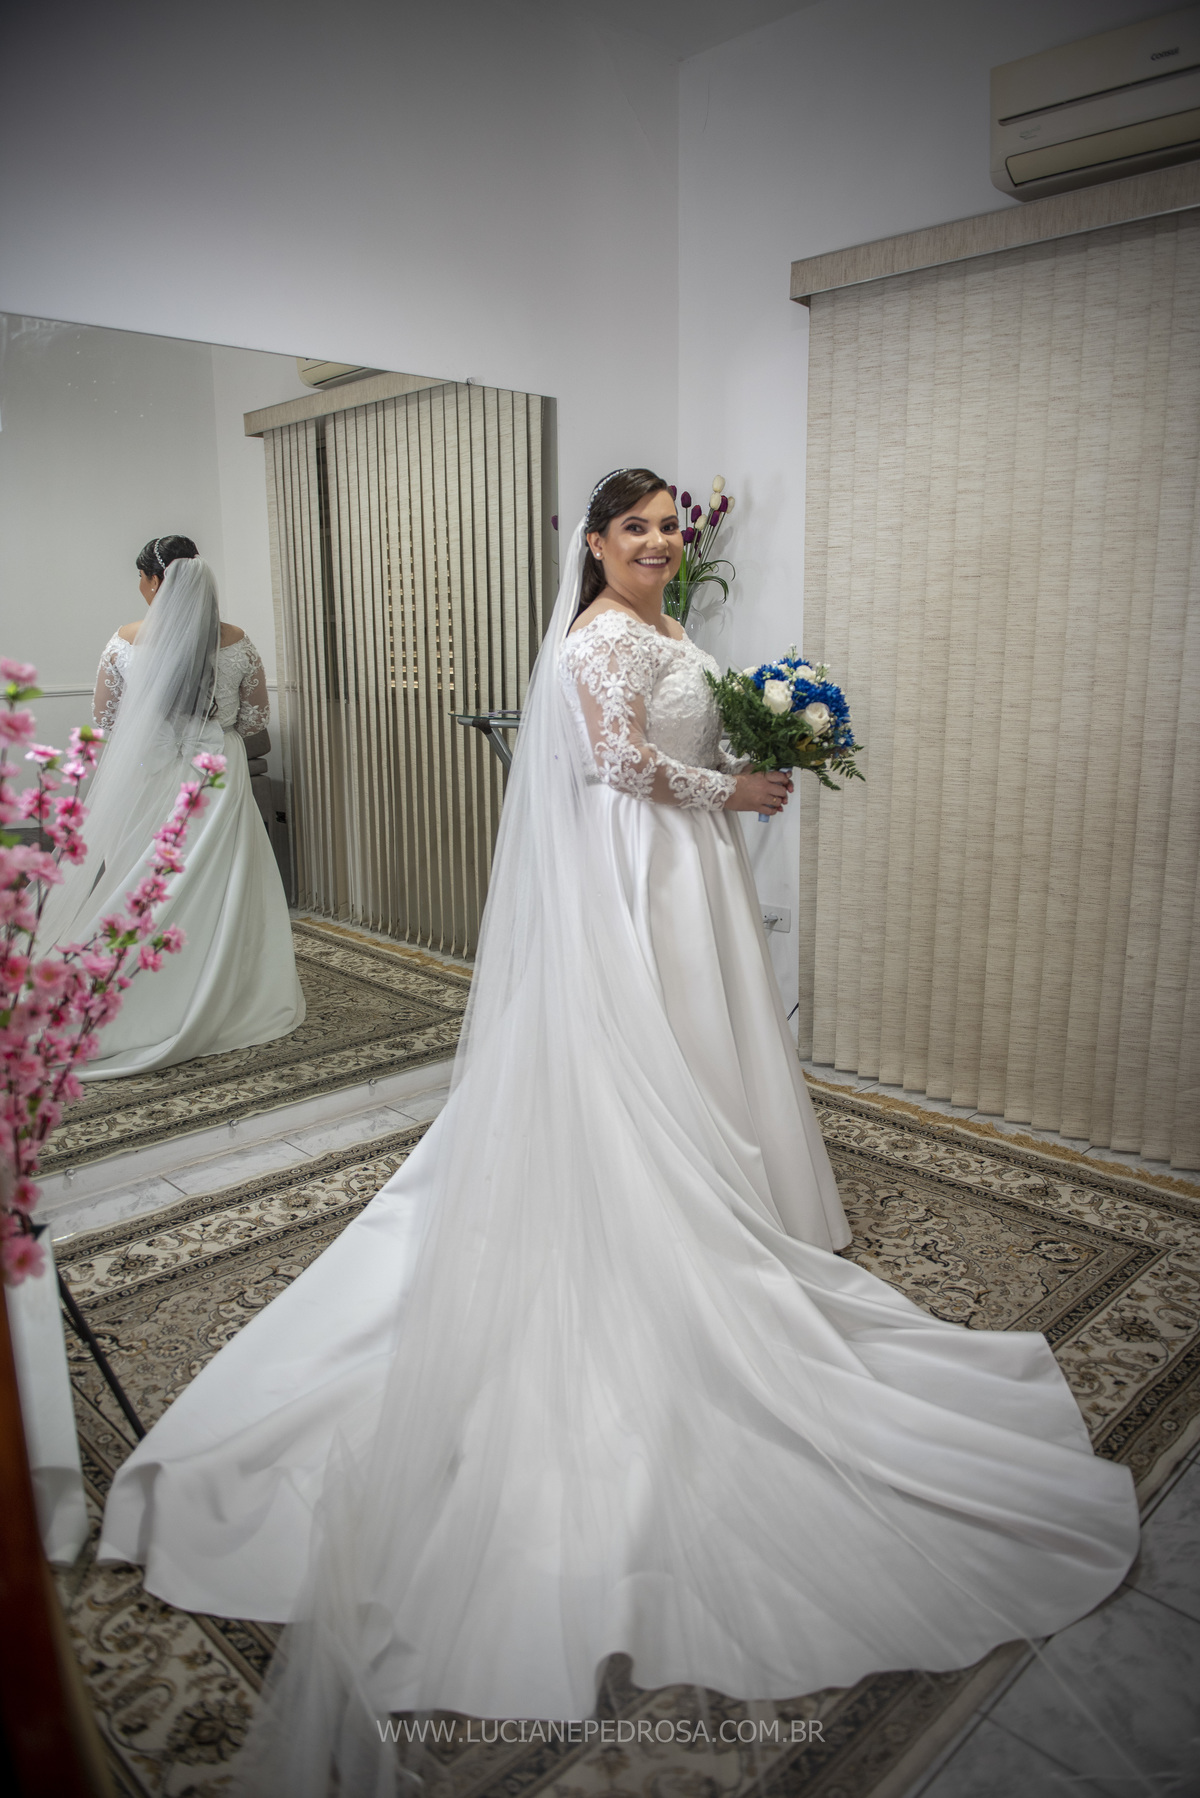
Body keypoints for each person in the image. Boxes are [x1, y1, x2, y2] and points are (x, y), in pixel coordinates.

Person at [98, 476, 1138, 1795]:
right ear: (594, 544)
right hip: (641, 860)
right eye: (634, 526)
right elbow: (613, 763)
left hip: (679, 855)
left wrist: (752, 751)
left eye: (666, 526)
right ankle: (664, 1202)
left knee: (704, 1040)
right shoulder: (598, 636)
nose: (656, 541)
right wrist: (732, 788)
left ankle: (727, 1185)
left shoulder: (670, 626)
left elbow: (667, 732)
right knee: (654, 1039)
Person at [44, 535, 304, 1074]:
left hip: (150, 772)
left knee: (142, 877)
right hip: (218, 771)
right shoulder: (236, 641)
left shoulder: (126, 640)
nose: (140, 588)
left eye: (142, 579)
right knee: (225, 878)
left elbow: (106, 719)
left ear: (155, 580)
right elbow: (255, 724)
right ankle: (222, 983)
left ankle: (135, 990)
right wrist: (214, 731)